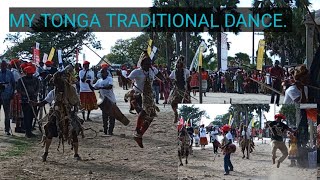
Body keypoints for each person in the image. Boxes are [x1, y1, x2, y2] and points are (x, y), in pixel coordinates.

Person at [31, 69, 83, 162]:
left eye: (57, 83)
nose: (56, 85)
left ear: (63, 82)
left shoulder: (71, 90)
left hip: (68, 115)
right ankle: (45, 153)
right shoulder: (53, 92)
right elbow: (44, 102)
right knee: (49, 132)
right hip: (56, 115)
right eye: (55, 83)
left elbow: (76, 103)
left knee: (73, 132)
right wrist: (35, 104)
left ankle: (76, 153)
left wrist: (73, 110)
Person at [127, 51, 164, 148]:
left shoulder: (152, 70)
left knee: (151, 116)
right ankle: (137, 129)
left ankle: (139, 135)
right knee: (143, 112)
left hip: (149, 96)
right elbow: (127, 80)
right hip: (138, 95)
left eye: (150, 63)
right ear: (142, 63)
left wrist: (164, 78)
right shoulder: (136, 72)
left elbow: (160, 75)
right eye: (147, 64)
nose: (149, 65)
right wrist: (123, 77)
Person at [16, 63, 39, 138]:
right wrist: (25, 94)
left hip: (34, 100)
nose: (30, 75)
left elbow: (38, 88)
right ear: (26, 73)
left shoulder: (36, 79)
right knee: (26, 116)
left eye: (31, 73)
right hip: (25, 100)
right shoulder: (21, 80)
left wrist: (35, 93)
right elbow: (19, 89)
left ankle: (30, 130)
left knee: (32, 115)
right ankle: (27, 131)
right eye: (28, 73)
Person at [91, 67, 116, 135]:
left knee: (112, 117)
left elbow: (110, 87)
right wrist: (88, 84)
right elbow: (93, 87)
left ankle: (110, 131)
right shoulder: (99, 81)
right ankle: (105, 130)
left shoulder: (109, 79)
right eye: (101, 72)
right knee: (104, 117)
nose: (102, 74)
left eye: (103, 72)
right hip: (103, 101)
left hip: (111, 100)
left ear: (107, 73)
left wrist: (101, 87)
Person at [169, 56, 191, 123]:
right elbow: (170, 78)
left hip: (184, 89)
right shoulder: (174, 72)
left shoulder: (186, 71)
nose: (178, 64)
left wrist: (188, 80)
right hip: (176, 90)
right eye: (177, 63)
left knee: (185, 104)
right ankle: (176, 113)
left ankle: (184, 118)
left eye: (179, 63)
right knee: (173, 103)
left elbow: (188, 79)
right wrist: (172, 81)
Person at [0, 61, 15, 135]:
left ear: (6, 66)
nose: (3, 67)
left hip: (7, 95)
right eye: (2, 66)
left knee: (7, 114)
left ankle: (7, 129)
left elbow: (13, 83)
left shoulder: (10, 73)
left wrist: (12, 94)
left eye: (4, 66)